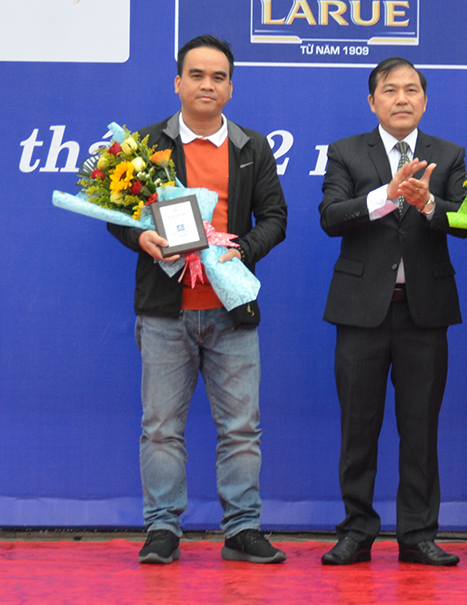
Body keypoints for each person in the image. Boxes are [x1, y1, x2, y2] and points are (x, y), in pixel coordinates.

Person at [107, 35, 288, 564]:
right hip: (165, 313)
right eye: (197, 75)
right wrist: (139, 237)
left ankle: (242, 530)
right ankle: (163, 529)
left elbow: (276, 218)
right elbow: (119, 215)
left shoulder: (252, 147)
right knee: (161, 428)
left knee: (241, 429)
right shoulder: (146, 147)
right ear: (178, 82)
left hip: (232, 310)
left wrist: (241, 249)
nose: (207, 85)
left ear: (230, 86)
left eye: (218, 77)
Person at [318, 57, 467, 567]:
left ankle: (418, 535)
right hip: (361, 314)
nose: (401, 98)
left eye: (411, 90)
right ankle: (356, 532)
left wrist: (430, 205)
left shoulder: (447, 155)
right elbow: (331, 218)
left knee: (420, 429)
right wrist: (386, 196)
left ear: (425, 100)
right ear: (372, 101)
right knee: (357, 428)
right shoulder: (345, 153)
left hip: (423, 315)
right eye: (390, 90)